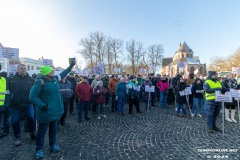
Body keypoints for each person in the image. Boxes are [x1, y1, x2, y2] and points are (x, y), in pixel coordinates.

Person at [29, 61, 75, 159]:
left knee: (53, 130)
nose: (54, 72)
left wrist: (70, 67)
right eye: (52, 71)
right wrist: (42, 105)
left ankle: (53, 145)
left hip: (55, 111)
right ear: (47, 73)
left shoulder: (54, 79)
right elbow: (32, 96)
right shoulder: (39, 82)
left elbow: (62, 74)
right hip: (45, 112)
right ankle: (39, 149)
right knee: (42, 132)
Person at [8, 64, 36, 146]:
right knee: (15, 120)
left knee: (31, 117)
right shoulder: (10, 79)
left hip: (28, 103)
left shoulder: (31, 79)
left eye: (24, 68)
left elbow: (34, 91)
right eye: (21, 68)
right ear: (17, 69)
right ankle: (17, 136)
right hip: (15, 104)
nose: (23, 69)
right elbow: (7, 91)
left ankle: (32, 132)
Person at [0, 68, 10, 139]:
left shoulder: (3, 79)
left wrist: (6, 104)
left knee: (6, 119)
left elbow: (7, 93)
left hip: (4, 104)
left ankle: (5, 132)